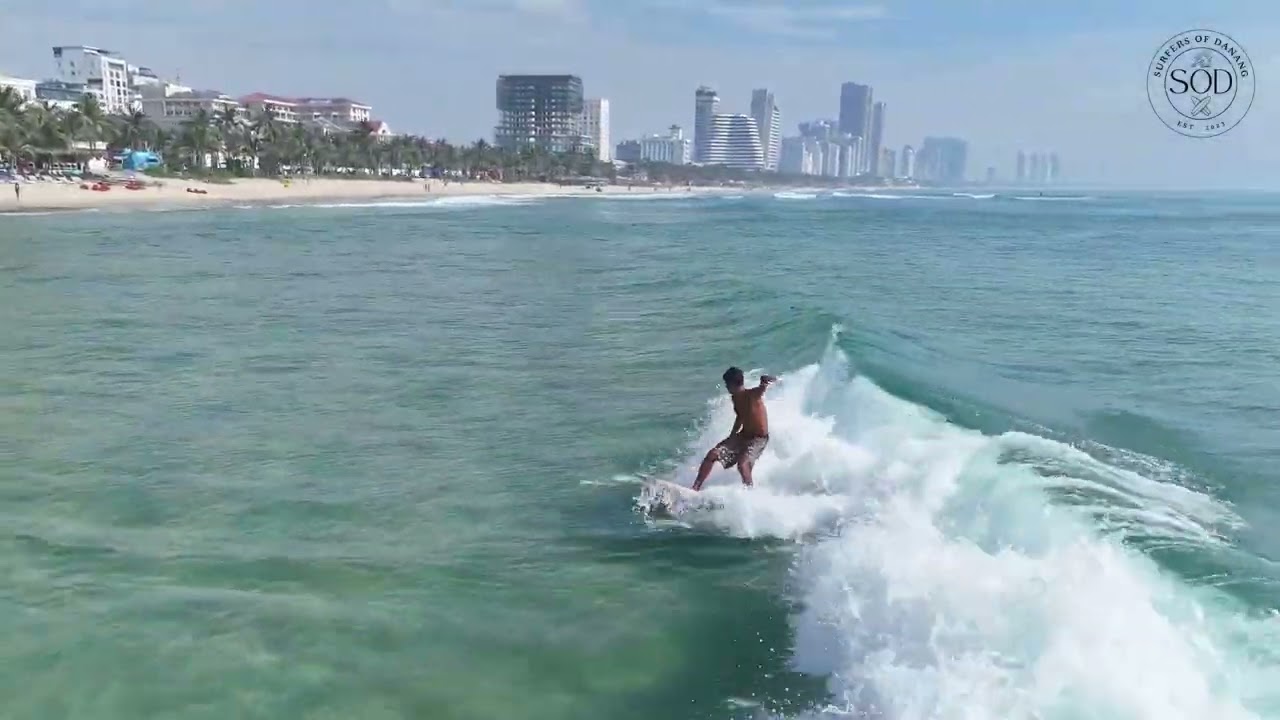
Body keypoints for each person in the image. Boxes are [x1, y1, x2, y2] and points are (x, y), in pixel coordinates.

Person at [692, 367, 776, 491]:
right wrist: (732, 437)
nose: (726, 387)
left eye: (727, 384)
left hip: (759, 439)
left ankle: (750, 493)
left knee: (743, 465)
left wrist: (764, 382)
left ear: (733, 384)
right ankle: (695, 488)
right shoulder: (735, 398)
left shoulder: (751, 395)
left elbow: (761, 390)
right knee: (712, 454)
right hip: (743, 435)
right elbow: (740, 417)